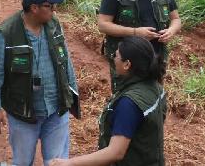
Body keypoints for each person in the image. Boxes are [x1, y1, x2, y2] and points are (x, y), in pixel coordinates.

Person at [0, 0, 80, 166]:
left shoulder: (53, 25)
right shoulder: (5, 34)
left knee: (57, 162)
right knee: (23, 162)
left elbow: (65, 61)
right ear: (34, 8)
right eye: (50, 6)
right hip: (23, 114)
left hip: (56, 111)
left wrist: (72, 94)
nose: (54, 10)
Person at [49, 37, 166, 166]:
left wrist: (70, 163)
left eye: (116, 56)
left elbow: (115, 152)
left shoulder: (129, 103)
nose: (113, 59)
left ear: (127, 64)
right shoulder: (156, 88)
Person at [97, 0, 181, 92]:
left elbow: (176, 19)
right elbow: (103, 25)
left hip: (155, 57)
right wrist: (136, 32)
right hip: (127, 61)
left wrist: (171, 31)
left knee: (154, 98)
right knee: (127, 99)